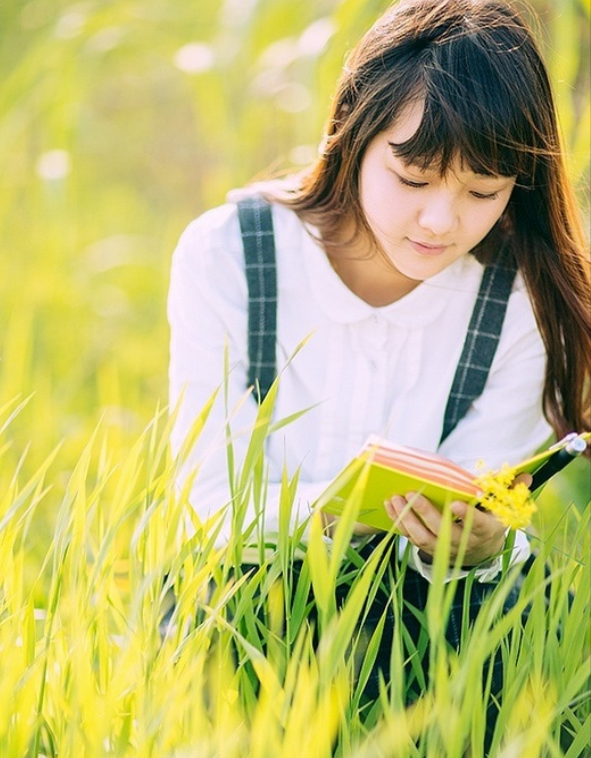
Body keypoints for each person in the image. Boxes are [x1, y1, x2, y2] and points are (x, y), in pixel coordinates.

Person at [167, 0, 590, 747]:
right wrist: (328, 521)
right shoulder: (232, 253)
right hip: (249, 597)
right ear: (355, 134)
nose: (439, 222)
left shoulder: (519, 296)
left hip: (438, 612)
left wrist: (489, 542)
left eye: (483, 193)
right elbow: (206, 503)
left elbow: (485, 494)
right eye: (414, 177)